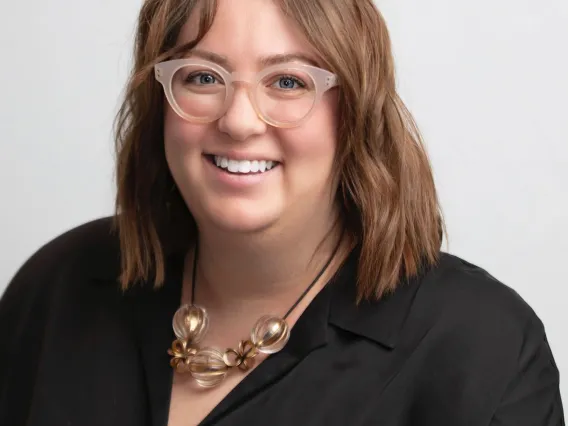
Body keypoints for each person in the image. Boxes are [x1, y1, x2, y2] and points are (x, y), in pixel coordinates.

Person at [0, 0, 564, 424]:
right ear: (159, 102)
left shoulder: (483, 347)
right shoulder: (58, 286)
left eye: (289, 81)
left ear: (357, 114)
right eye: (202, 76)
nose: (240, 122)